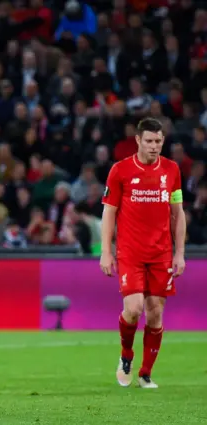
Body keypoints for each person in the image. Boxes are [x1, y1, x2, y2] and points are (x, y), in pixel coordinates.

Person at [100, 117, 186, 389]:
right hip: (130, 253)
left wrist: (180, 252)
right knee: (134, 309)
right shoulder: (120, 170)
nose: (154, 146)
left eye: (158, 141)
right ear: (137, 140)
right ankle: (126, 354)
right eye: (149, 141)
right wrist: (106, 251)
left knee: (155, 314)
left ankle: (145, 373)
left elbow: (177, 213)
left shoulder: (171, 170)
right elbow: (109, 212)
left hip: (161, 254)